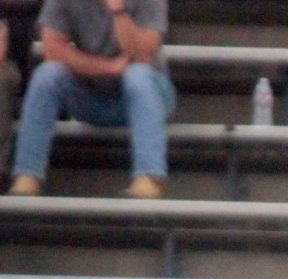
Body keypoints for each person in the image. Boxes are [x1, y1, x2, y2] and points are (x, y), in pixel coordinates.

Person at [7, 0, 174, 199]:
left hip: (148, 98)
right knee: (47, 74)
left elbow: (142, 54)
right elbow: (53, 50)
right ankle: (27, 176)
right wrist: (109, 67)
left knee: (138, 75)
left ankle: (149, 178)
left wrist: (118, 11)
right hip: (91, 97)